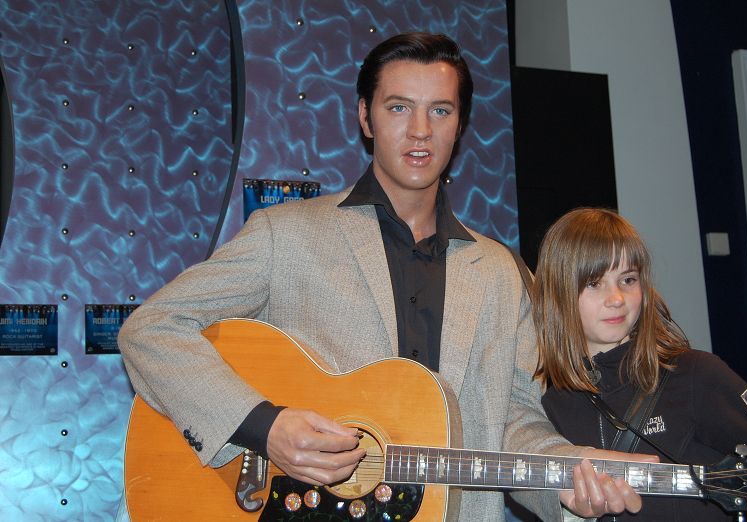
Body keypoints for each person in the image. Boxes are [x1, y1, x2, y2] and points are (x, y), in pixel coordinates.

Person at [119, 33, 645, 521]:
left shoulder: (503, 273)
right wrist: (264, 426)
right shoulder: (287, 235)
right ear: (365, 117)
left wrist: (568, 483)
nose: (420, 130)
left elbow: (514, 422)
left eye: (440, 110)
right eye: (398, 107)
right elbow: (152, 328)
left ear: (459, 124)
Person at [532, 207, 747, 521]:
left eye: (628, 279)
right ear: (558, 294)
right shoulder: (551, 404)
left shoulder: (697, 375)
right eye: (594, 283)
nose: (616, 298)